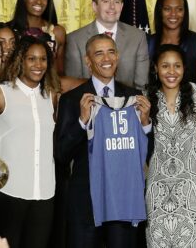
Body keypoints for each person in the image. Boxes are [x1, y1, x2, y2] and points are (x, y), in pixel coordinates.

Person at [55, 34, 151, 248]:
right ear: (88, 61)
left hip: (122, 201)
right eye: (99, 53)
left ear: (117, 56)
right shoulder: (73, 99)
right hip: (86, 202)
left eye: (111, 51)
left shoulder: (135, 97)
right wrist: (82, 121)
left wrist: (145, 123)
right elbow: (61, 154)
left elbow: (149, 152)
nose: (106, 58)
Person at [0, 36, 60, 248]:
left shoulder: (51, 96)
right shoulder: (0, 93)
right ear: (20, 60)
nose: (38, 65)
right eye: (31, 59)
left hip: (45, 192)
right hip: (10, 190)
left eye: (42, 59)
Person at [145, 44, 196, 247]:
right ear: (156, 68)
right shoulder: (144, 99)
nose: (171, 72)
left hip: (192, 192)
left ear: (184, 68)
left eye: (177, 66)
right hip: (157, 191)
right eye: (165, 66)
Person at [65, 0, 149, 90]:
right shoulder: (75, 39)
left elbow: (141, 85)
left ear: (122, 6)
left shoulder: (138, 37)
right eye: (106, 1)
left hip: (128, 103)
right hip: (89, 104)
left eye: (117, 1)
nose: (112, 7)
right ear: (95, 6)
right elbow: (73, 85)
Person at [149, 0, 196, 85]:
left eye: (179, 9)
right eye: (167, 9)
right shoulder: (147, 43)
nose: (173, 14)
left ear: (185, 12)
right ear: (159, 11)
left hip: (190, 99)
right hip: (151, 98)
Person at [8, 0, 66, 75]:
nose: (39, 2)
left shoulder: (57, 32)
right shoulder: (9, 30)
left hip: (48, 87)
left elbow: (59, 72)